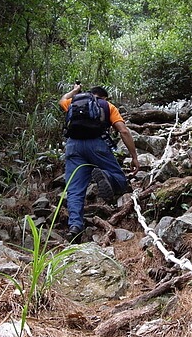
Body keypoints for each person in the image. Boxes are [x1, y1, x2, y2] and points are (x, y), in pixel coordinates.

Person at [59, 83, 140, 242]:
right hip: (97, 145)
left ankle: (75, 227)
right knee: (120, 179)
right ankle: (107, 177)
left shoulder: (73, 102)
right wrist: (134, 156)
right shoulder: (107, 106)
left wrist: (75, 90)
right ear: (103, 97)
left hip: (73, 146)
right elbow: (123, 130)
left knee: (75, 189)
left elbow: (62, 100)